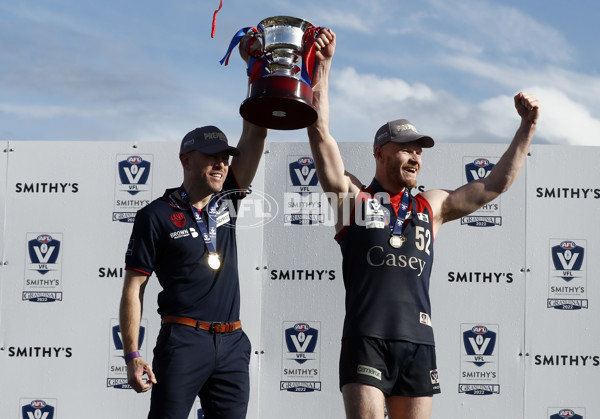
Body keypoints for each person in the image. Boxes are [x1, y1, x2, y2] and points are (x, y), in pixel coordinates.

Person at [308, 29, 540, 419]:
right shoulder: (353, 198)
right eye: (406, 148)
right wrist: (324, 64)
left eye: (420, 149)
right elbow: (319, 132)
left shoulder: (431, 206)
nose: (416, 156)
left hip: (419, 342)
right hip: (367, 339)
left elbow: (494, 184)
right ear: (380, 152)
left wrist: (528, 126)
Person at [119, 37, 267, 418]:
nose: (221, 164)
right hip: (183, 340)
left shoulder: (229, 199)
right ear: (186, 159)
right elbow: (134, 289)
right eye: (211, 157)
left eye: (224, 158)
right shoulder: (156, 215)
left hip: (233, 342)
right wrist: (132, 355)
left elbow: (255, 134)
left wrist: (254, 70)